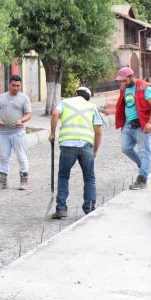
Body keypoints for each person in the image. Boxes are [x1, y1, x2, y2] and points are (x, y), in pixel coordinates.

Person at [48, 86, 102, 218]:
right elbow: (98, 131)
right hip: (86, 146)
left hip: (67, 145)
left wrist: (52, 133)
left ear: (76, 93)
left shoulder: (65, 102)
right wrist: (95, 150)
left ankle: (61, 209)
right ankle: (89, 208)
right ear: (87, 98)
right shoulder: (92, 106)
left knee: (63, 176)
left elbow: (55, 113)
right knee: (89, 178)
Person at [114, 66, 151, 189]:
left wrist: (150, 123)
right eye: (120, 81)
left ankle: (142, 179)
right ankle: (143, 165)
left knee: (144, 151)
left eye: (124, 80)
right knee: (125, 148)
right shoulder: (124, 88)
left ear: (131, 76)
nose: (122, 83)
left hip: (141, 125)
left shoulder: (145, 87)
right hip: (128, 125)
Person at [0, 74, 32, 190]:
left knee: (22, 157)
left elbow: (28, 114)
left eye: (18, 86)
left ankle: (24, 180)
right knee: (4, 157)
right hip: (3, 133)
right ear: (9, 84)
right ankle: (3, 182)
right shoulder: (1, 97)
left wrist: (22, 120)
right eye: (13, 85)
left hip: (18, 133)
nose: (16, 88)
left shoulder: (24, 98)